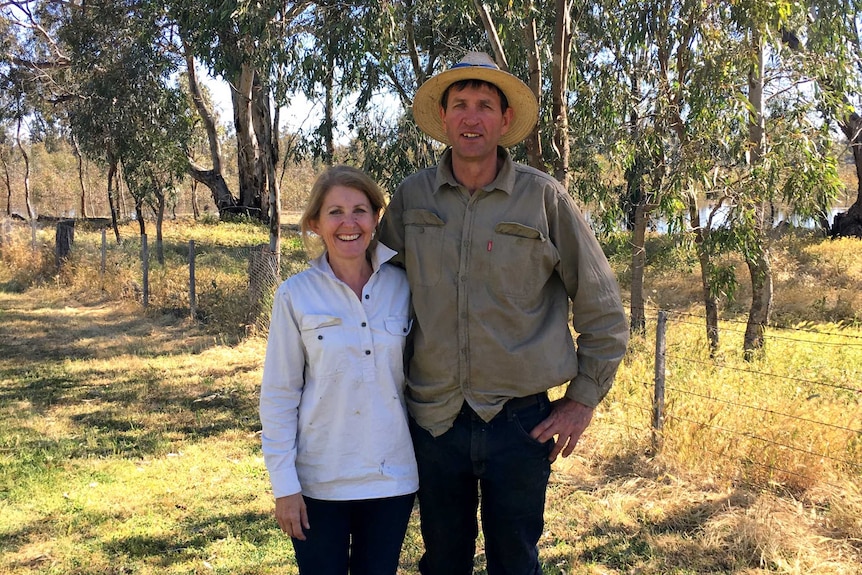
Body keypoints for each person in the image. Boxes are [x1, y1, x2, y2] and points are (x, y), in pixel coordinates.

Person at [377, 52, 629, 575]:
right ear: (444, 118)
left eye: (486, 106)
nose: (473, 118)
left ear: (505, 120)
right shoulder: (411, 198)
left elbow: (603, 310)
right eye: (461, 105)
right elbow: (375, 290)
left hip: (520, 424)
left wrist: (581, 401)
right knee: (443, 561)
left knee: (515, 561)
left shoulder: (543, 199)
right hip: (434, 420)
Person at [260, 165, 418, 575]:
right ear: (315, 223)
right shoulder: (295, 295)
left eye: (360, 210)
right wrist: (285, 486)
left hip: (391, 478)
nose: (349, 223)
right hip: (318, 482)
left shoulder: (404, 287)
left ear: (376, 219)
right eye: (335, 212)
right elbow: (279, 395)